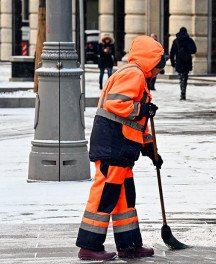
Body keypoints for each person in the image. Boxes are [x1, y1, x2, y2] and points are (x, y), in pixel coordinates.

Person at [76, 36, 167, 260]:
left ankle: (130, 245)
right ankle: (89, 245)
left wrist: (150, 149)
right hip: (112, 147)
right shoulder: (133, 73)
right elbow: (117, 104)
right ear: (150, 61)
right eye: (159, 67)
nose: (159, 72)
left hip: (121, 148)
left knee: (124, 198)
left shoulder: (136, 75)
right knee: (105, 194)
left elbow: (134, 123)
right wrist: (142, 108)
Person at [169, 27, 197, 100]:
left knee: (181, 77)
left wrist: (172, 62)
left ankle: (182, 90)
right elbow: (194, 50)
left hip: (179, 61)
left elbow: (172, 53)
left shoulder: (176, 41)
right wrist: (187, 51)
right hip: (187, 61)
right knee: (185, 76)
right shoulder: (189, 40)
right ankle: (183, 91)